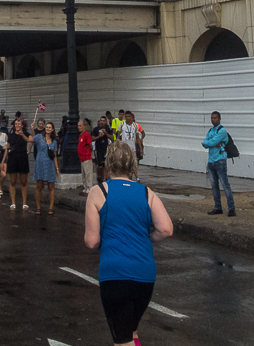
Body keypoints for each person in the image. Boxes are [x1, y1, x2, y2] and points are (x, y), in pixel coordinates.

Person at [84, 142, 174, 346]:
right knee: (131, 332)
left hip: (115, 275)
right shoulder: (146, 193)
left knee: (122, 340)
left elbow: (92, 241)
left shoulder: (99, 192)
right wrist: (147, 237)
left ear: (108, 164)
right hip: (145, 275)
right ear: (133, 166)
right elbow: (166, 229)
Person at [202, 111, 235, 217]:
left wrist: (210, 143)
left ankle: (231, 208)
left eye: (215, 118)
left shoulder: (222, 131)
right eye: (212, 118)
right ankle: (218, 207)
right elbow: (205, 143)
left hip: (220, 161)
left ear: (220, 119)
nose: (213, 120)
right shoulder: (210, 130)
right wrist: (209, 143)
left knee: (225, 185)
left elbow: (210, 142)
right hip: (211, 161)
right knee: (214, 186)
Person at [5, 117, 33, 210]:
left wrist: (23, 134)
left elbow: (30, 140)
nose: (17, 125)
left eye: (19, 124)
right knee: (12, 181)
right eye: (15, 124)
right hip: (12, 158)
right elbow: (8, 147)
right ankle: (13, 203)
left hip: (22, 158)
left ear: (22, 125)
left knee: (23, 182)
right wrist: (4, 160)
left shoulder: (26, 133)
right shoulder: (11, 134)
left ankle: (24, 203)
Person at [33, 120, 60, 214]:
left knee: (51, 187)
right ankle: (38, 207)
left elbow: (55, 156)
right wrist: (32, 128)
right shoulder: (40, 137)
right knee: (39, 186)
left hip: (50, 165)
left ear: (52, 130)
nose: (48, 128)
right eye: (47, 127)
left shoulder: (54, 142)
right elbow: (31, 139)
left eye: (50, 127)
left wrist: (57, 168)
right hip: (40, 164)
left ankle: (51, 208)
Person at [78, 118, 95, 195]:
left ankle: (89, 188)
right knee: (84, 174)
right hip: (82, 158)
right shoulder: (80, 135)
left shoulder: (86, 135)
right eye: (78, 126)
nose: (79, 127)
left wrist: (88, 152)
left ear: (84, 126)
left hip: (86, 157)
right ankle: (85, 188)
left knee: (88, 174)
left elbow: (90, 145)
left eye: (80, 126)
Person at [92, 116, 111, 186]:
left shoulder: (107, 129)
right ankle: (99, 177)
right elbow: (92, 138)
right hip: (98, 149)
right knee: (99, 165)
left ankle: (104, 178)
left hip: (105, 148)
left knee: (105, 164)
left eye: (103, 121)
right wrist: (98, 136)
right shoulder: (96, 129)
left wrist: (106, 133)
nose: (102, 122)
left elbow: (111, 137)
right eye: (101, 120)